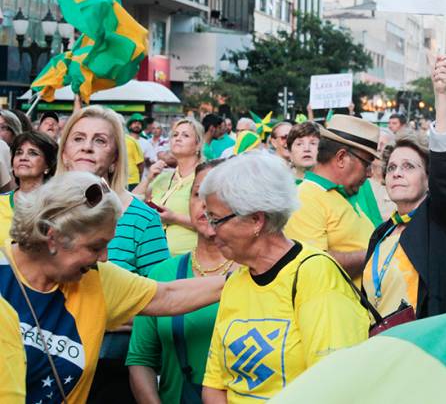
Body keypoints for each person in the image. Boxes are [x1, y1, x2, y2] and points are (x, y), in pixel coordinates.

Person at [1, 171, 225, 404]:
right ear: (52, 236)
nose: (105, 258)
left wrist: (235, 280)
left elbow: (166, 295)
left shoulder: (95, 279)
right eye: (96, 246)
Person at [200, 153, 368, 401]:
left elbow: (333, 385)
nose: (209, 231)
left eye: (216, 220)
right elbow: (215, 384)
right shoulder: (236, 281)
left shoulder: (315, 274)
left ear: (256, 220)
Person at [57, 105, 171, 399]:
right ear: (65, 152)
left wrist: (99, 317)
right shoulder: (40, 210)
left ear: (115, 157)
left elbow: (159, 300)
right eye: (78, 138)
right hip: (45, 363)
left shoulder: (142, 218)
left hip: (110, 367)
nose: (87, 147)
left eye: (100, 141)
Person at [362, 54, 446, 319]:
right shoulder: (382, 233)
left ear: (428, 178)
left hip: (424, 348)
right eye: (393, 168)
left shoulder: (440, 221)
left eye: (409, 166)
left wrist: (440, 94)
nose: (397, 173)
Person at [127, 160, 231, 404]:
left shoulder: (257, 273)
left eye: (219, 194)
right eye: (197, 194)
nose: (205, 204)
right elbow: (141, 359)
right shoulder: (163, 274)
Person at [286, 115, 379, 280]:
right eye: (367, 163)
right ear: (341, 158)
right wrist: (377, 254)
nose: (370, 173)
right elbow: (312, 267)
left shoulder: (342, 193)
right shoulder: (304, 197)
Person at [134, 118, 205, 255]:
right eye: (175, 135)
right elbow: (132, 202)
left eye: (185, 135)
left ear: (198, 145)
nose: (178, 138)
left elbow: (212, 222)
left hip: (188, 259)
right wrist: (148, 179)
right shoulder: (163, 176)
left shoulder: (205, 178)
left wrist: (174, 218)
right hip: (155, 258)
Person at [0, 131, 58, 243]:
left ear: (48, 165)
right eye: (19, 153)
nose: (23, 158)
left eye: (33, 153)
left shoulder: (58, 206)